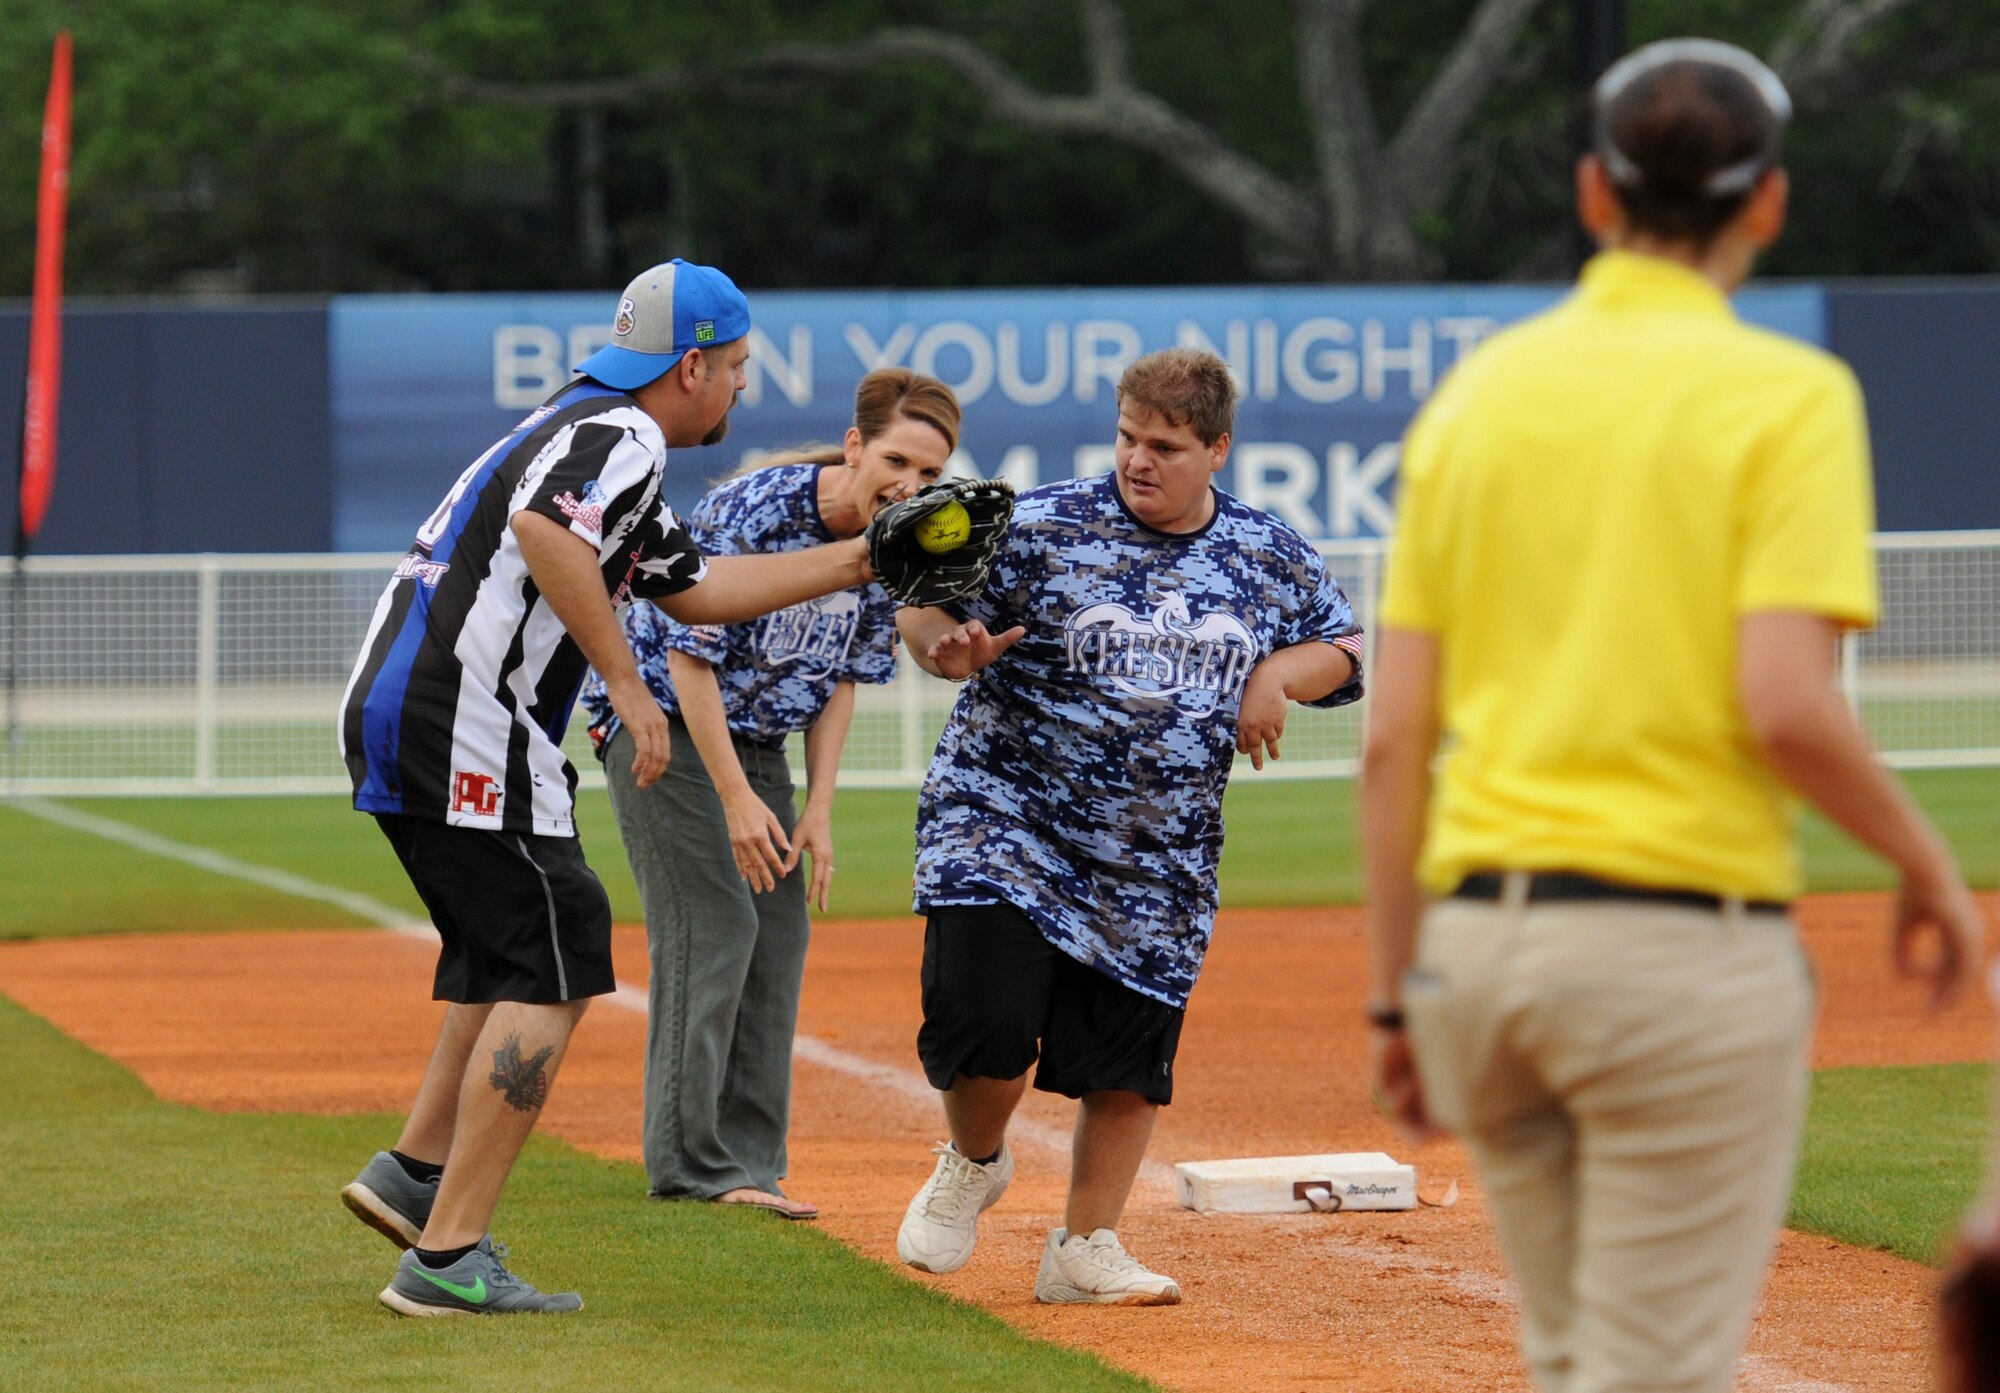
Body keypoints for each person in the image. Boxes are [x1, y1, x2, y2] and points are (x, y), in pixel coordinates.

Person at [1359, 41, 1987, 1392]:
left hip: (1483, 955)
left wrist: (1401, 1005)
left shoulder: (1479, 396)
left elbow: (1395, 742)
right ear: (1767, 204)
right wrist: (1928, 862)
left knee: (1582, 1361)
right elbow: (1785, 705)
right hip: (1674, 958)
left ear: (1594, 193)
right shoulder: (1788, 396)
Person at [336, 259, 884, 1317]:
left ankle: (415, 1172)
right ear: (690, 367)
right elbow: (546, 531)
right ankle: (448, 1257)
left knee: (513, 949)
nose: (738, 390)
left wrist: (860, 560)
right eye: (732, 369)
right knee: (558, 953)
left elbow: (703, 592)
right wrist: (628, 689)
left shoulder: (587, 425)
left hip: (421, 705)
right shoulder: (622, 435)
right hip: (466, 715)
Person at [892, 347, 1365, 1304]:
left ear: (1218, 448)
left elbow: (1347, 646)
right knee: (983, 1020)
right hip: (1009, 816)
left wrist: (1275, 673)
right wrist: (949, 650)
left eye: (1165, 445)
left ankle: (1085, 1246)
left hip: (1159, 856)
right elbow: (928, 608)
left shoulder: (1264, 551)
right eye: (1127, 437)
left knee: (1126, 1061)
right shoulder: (1042, 524)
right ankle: (974, 1159)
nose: (1138, 460)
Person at [580, 367, 962, 1220]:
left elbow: (844, 680)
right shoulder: (753, 510)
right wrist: (734, 796)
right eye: (899, 460)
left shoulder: (889, 542)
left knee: (778, 935)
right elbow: (690, 658)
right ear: (857, 444)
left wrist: (816, 806)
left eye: (933, 475)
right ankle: (688, 1163)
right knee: (713, 924)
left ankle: (751, 1163)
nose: (912, 486)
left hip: (762, 745)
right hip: (665, 729)